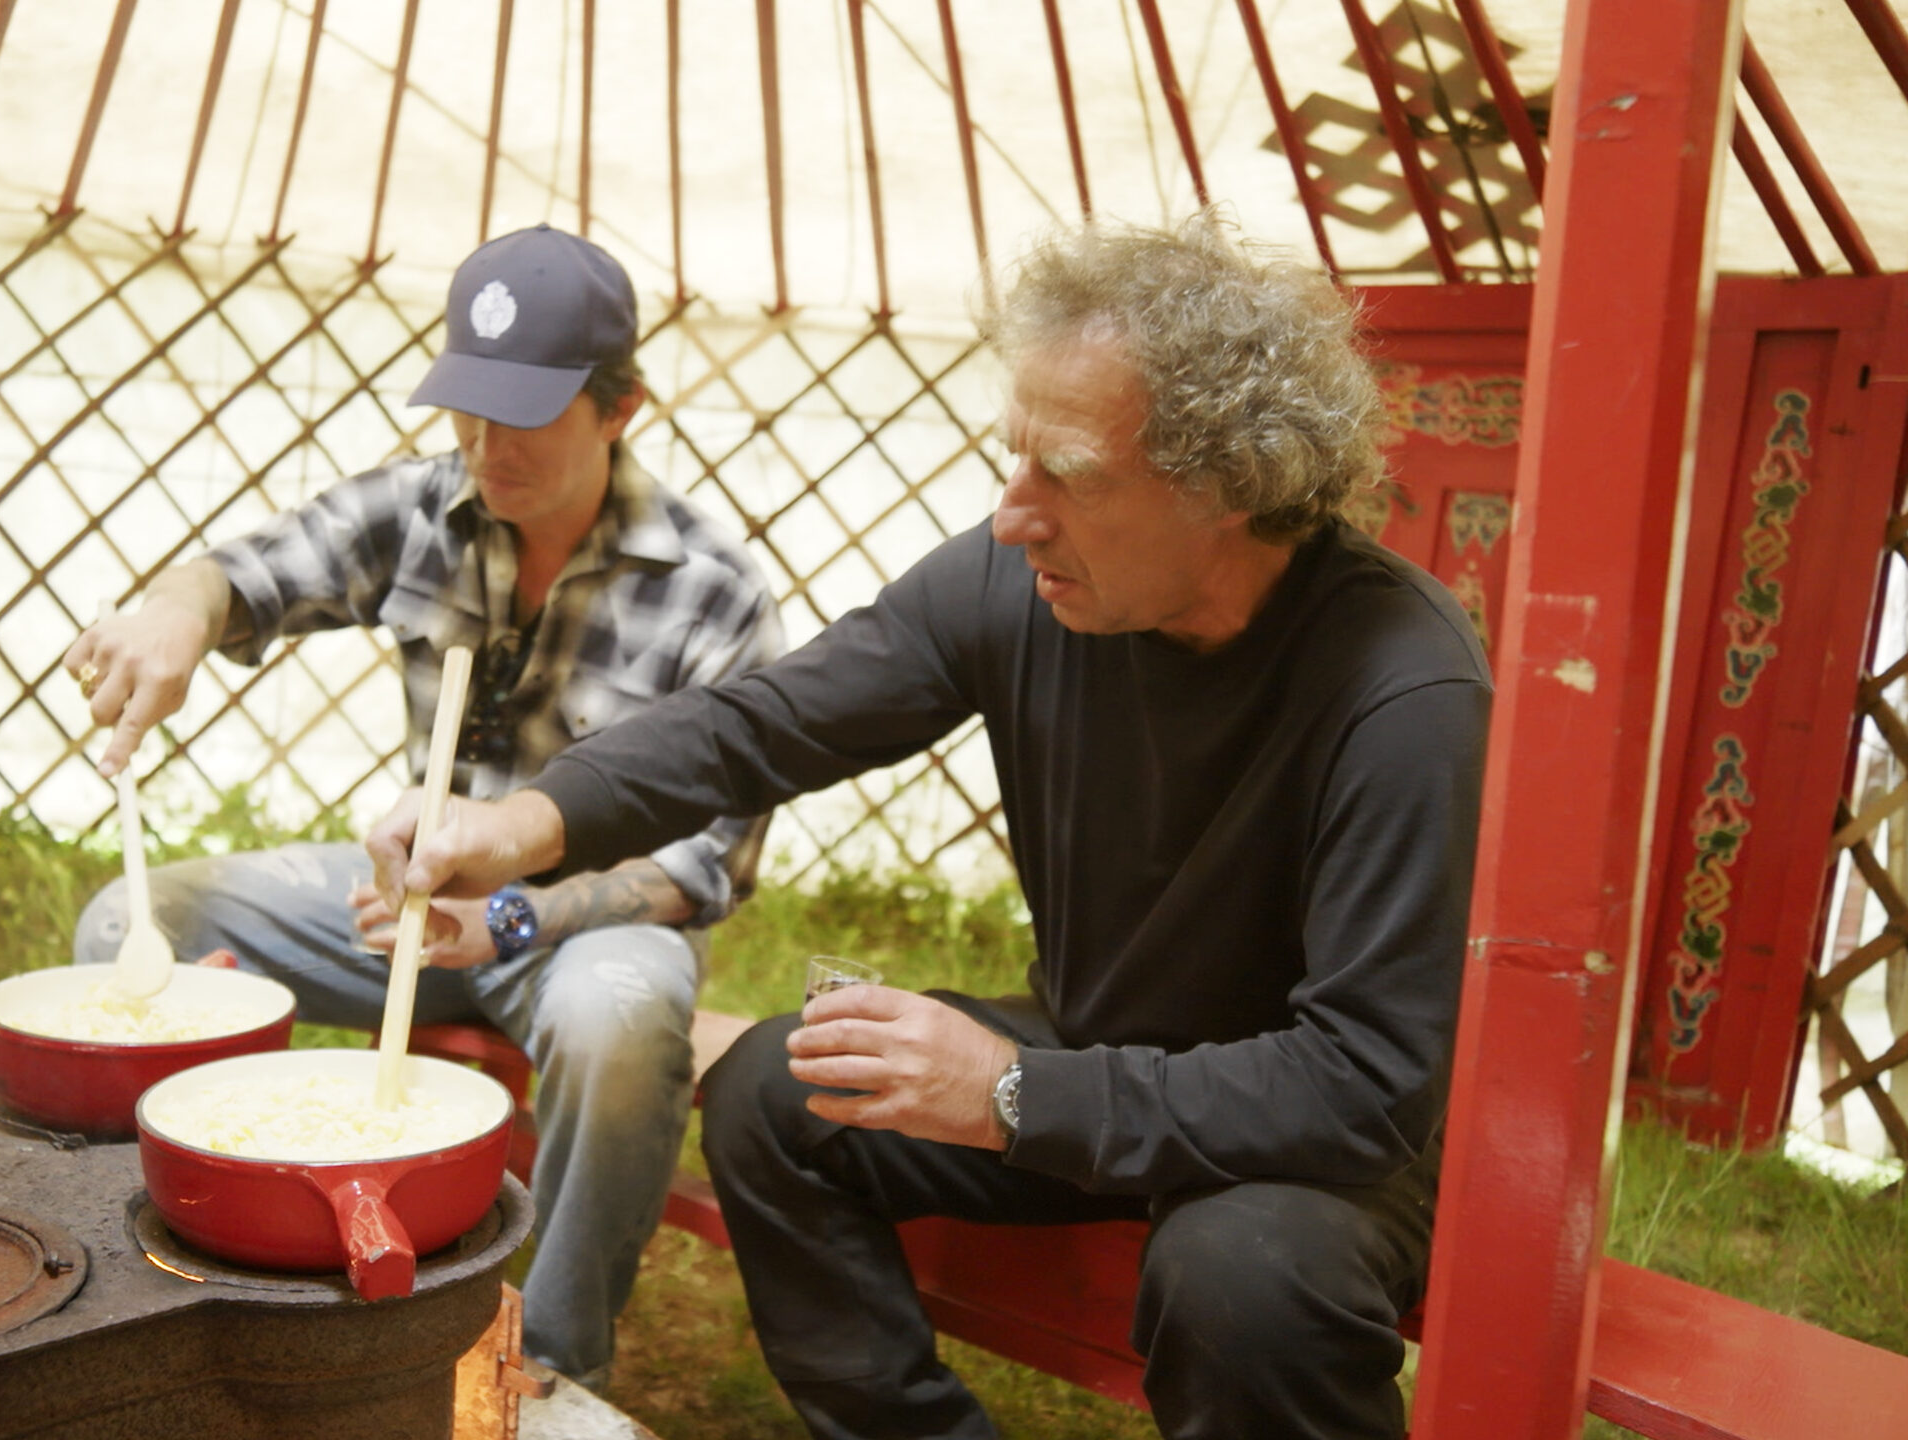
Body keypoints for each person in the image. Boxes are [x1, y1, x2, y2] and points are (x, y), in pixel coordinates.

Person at [365, 213, 1492, 1440]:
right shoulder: (1027, 583)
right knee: (776, 1095)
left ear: (1228, 481)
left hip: (1310, 1137)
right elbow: (766, 723)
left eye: (1069, 473)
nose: (1013, 517)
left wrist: (1009, 1091)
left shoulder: (1402, 691)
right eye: (1014, 460)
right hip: (1098, 1046)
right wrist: (522, 823)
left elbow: (1363, 1083)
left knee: (1241, 1278)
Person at [64, 224, 783, 1392]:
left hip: (580, 930)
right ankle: (182, 1261)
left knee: (620, 1016)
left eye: (526, 414)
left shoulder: (712, 593)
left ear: (621, 408)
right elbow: (246, 573)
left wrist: (511, 917)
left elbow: (708, 866)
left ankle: (545, 1368)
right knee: (129, 925)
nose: (486, 446)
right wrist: (177, 614)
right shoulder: (421, 506)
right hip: (405, 905)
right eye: (468, 407)